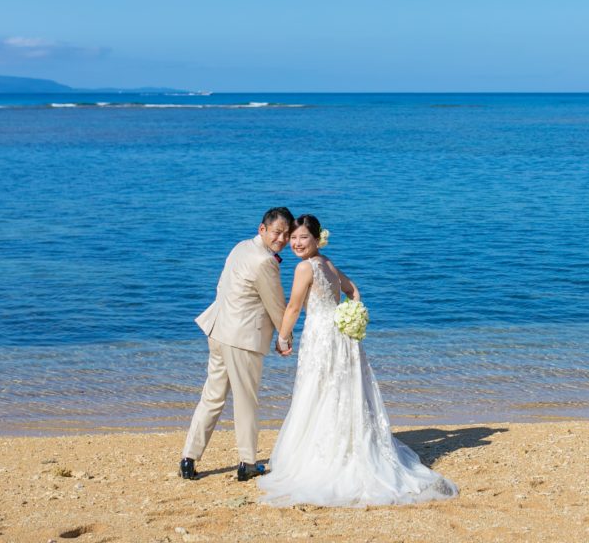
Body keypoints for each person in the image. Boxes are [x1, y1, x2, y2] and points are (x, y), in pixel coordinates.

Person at [258, 214, 458, 506]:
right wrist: (349, 317)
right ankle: (350, 443)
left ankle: (325, 455)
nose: (297, 243)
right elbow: (353, 291)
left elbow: (294, 306)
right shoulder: (327, 263)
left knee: (320, 389)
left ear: (316, 239)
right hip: (339, 334)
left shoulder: (304, 268)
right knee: (341, 389)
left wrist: (283, 338)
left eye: (304, 238)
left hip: (321, 336)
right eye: (294, 238)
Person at [180, 207, 294, 481]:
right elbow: (276, 304)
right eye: (278, 232)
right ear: (262, 229)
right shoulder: (264, 261)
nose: (282, 239)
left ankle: (188, 458)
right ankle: (247, 462)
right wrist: (284, 336)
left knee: (212, 396)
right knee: (246, 400)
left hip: (218, 329)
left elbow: (222, 285)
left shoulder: (241, 247)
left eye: (287, 234)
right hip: (242, 337)